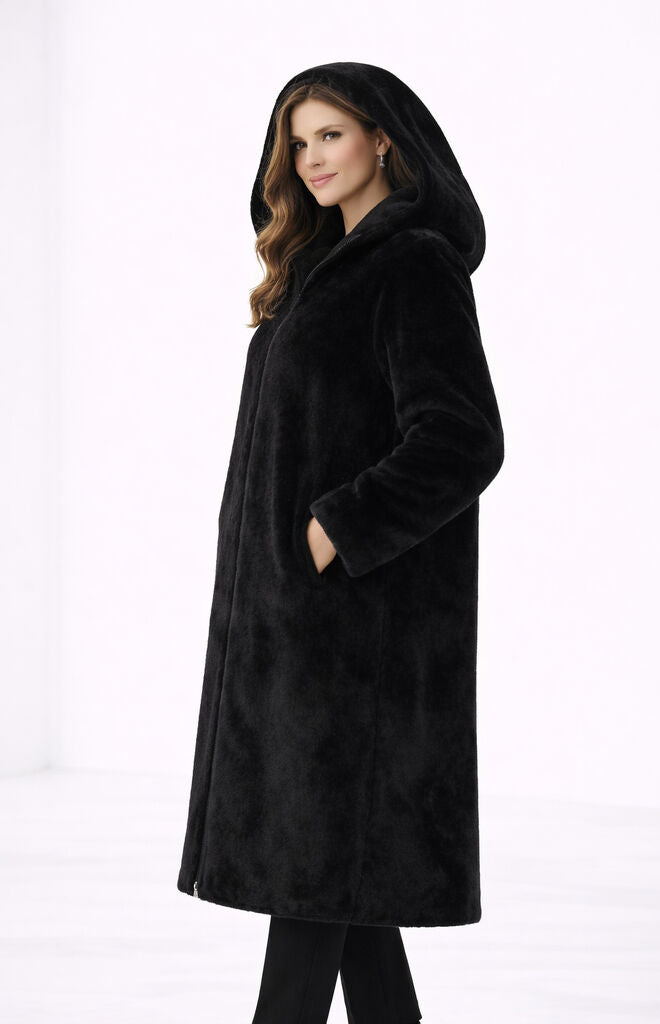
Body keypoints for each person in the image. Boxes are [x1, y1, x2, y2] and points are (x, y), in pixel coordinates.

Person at [177, 61, 505, 1024]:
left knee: (313, 879)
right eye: (297, 141)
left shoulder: (411, 263)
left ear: (382, 139)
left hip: (359, 644)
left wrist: (334, 530)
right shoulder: (320, 272)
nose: (311, 157)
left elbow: (461, 439)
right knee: (342, 888)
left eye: (331, 134)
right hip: (298, 634)